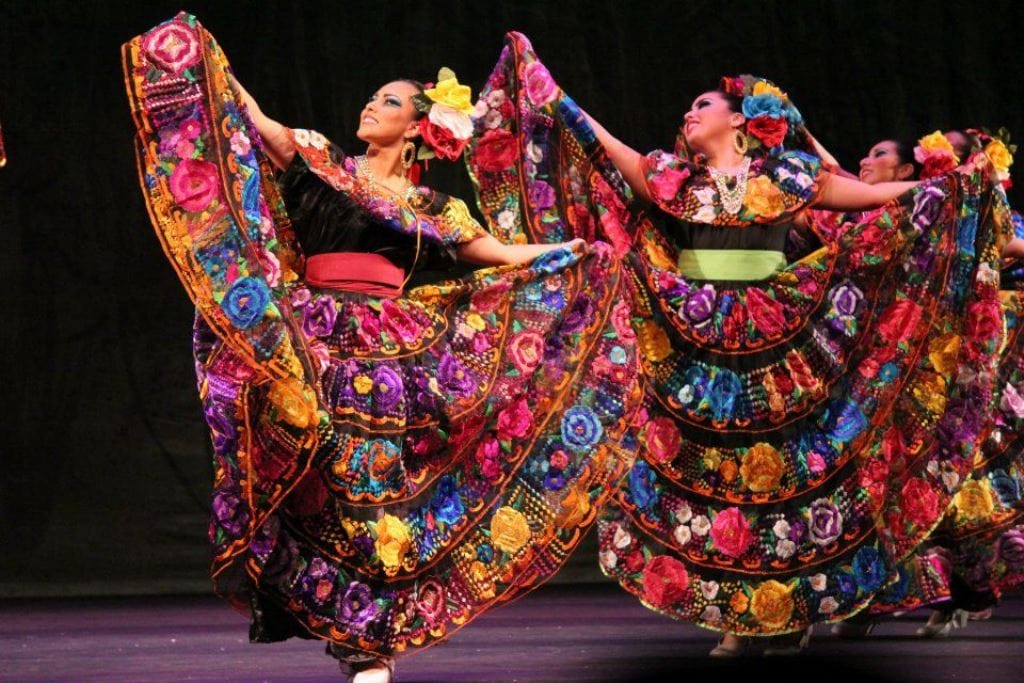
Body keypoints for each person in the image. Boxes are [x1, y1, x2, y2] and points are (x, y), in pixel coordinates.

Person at [124, 15, 640, 682]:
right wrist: (199, 48)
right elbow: (244, 113)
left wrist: (576, 253)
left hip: (390, 355)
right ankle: (333, 617)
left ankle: (369, 641)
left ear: (417, 129)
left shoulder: (432, 208)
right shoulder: (319, 161)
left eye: (389, 100)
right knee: (317, 482)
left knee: (375, 493)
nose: (371, 104)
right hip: (312, 340)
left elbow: (503, 257)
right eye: (373, 97)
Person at [467, 32, 1012, 657]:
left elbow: (875, 201)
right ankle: (736, 613)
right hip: (691, 333)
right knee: (712, 474)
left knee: (775, 473)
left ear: (741, 122)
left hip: (774, 336)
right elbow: (600, 145)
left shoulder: (789, 177)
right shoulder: (672, 177)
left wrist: (960, 185)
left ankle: (784, 608)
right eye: (691, 108)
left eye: (703, 105)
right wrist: (547, 88)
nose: (690, 115)